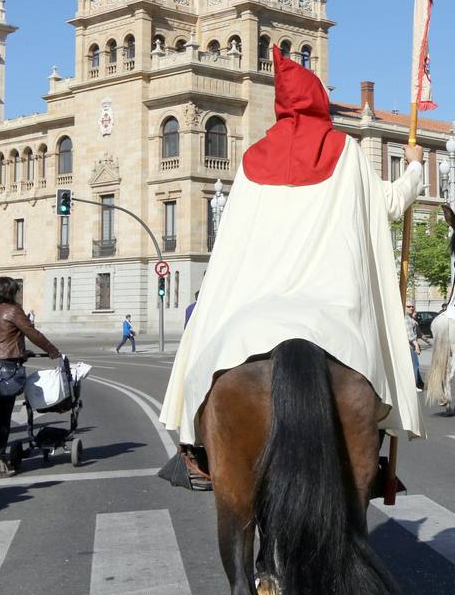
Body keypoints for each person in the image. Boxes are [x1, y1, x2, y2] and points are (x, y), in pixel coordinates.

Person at [160, 46, 428, 450]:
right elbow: (389, 204)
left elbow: (230, 245)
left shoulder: (251, 161)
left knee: (209, 357)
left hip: (255, 301)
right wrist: (414, 167)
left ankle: (194, 451)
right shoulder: (347, 154)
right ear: (321, 102)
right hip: (333, 304)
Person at [0, 276, 62, 478]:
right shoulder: (13, 310)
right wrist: (53, 351)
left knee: (2, 411)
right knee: (5, 413)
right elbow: (32, 333)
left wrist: (20, 351)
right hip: (5, 367)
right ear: (13, 292)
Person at [405, 301, 424, 390]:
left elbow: (419, 334)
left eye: (413, 307)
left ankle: (417, 384)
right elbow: (410, 335)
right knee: (414, 366)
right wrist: (416, 346)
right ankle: (414, 386)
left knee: (414, 365)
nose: (411, 308)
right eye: (409, 306)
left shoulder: (409, 318)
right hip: (410, 347)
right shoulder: (407, 319)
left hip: (410, 346)